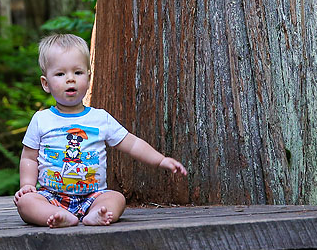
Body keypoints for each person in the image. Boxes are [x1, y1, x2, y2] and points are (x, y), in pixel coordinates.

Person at [14, 34, 187, 228]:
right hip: (51, 195)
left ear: (89, 76)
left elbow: (131, 143)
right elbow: (29, 157)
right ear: (46, 83)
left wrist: (161, 160)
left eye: (78, 72)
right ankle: (58, 215)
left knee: (116, 198)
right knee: (26, 203)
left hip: (93, 195)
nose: (70, 79)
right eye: (61, 74)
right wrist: (27, 185)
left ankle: (96, 215)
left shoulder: (100, 118)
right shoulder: (42, 119)